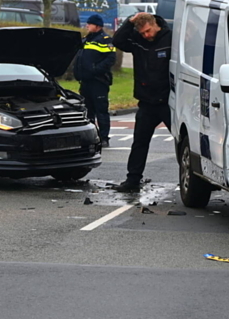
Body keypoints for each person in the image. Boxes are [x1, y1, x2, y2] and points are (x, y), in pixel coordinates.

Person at [111, 11, 172, 192]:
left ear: (156, 25)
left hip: (168, 101)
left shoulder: (170, 39)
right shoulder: (138, 41)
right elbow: (118, 41)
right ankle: (133, 179)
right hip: (146, 101)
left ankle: (193, 180)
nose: (147, 35)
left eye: (148, 31)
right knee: (139, 142)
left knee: (183, 141)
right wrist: (130, 23)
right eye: (143, 33)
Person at [74, 14, 115, 147]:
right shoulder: (86, 40)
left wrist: (95, 70)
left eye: (90, 24)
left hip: (99, 81)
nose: (87, 26)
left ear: (97, 26)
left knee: (101, 110)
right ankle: (91, 137)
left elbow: (110, 59)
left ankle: (104, 138)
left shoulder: (105, 40)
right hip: (85, 81)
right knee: (87, 111)